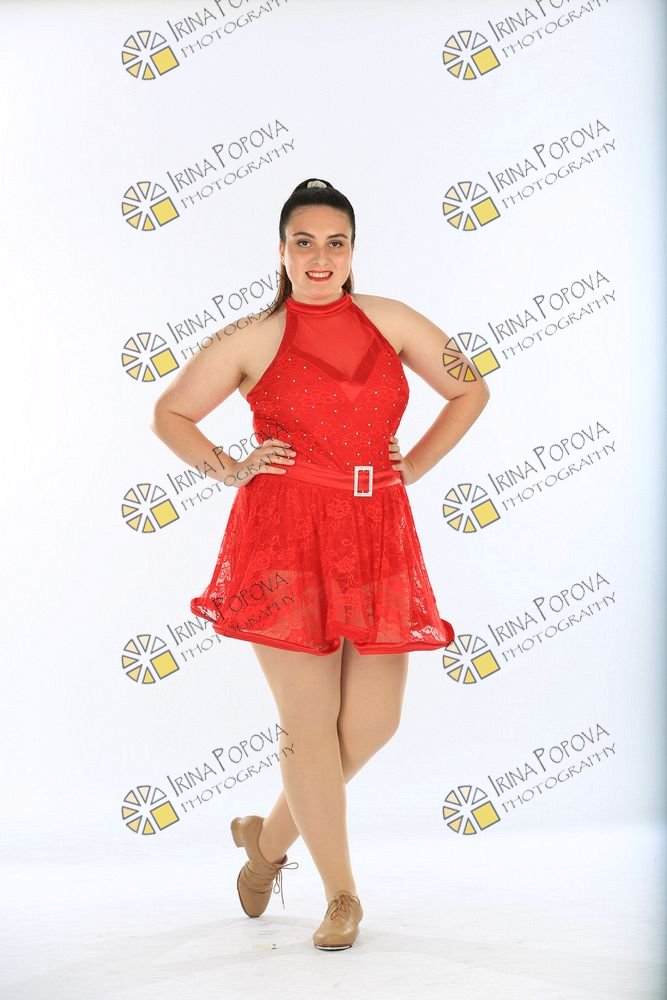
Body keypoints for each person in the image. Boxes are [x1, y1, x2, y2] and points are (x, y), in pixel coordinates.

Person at [150, 177, 490, 950]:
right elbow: (170, 413)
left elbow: (469, 389)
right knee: (307, 726)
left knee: (371, 724)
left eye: (335, 242)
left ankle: (264, 844)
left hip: (375, 531)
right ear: (281, 250)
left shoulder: (392, 320)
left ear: (352, 250)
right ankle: (341, 896)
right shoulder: (252, 336)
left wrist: (415, 466)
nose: (319, 257)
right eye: (303, 242)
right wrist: (229, 468)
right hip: (283, 535)